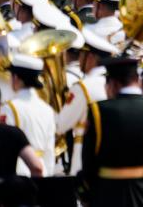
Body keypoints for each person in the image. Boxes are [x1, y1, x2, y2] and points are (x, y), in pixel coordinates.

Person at [80, 55, 143, 207]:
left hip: (106, 194)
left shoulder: (98, 110)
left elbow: (89, 161)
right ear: (138, 80)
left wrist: (89, 193)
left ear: (113, 83)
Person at [57, 27, 117, 175]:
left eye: (82, 55)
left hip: (84, 153)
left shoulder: (83, 87)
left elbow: (61, 125)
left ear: (91, 57)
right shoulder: (114, 83)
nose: (79, 60)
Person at [0, 54, 55, 177]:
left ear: (16, 78)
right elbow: (50, 151)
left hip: (18, 173)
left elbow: (4, 144)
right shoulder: (48, 110)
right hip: (43, 171)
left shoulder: (9, 107)